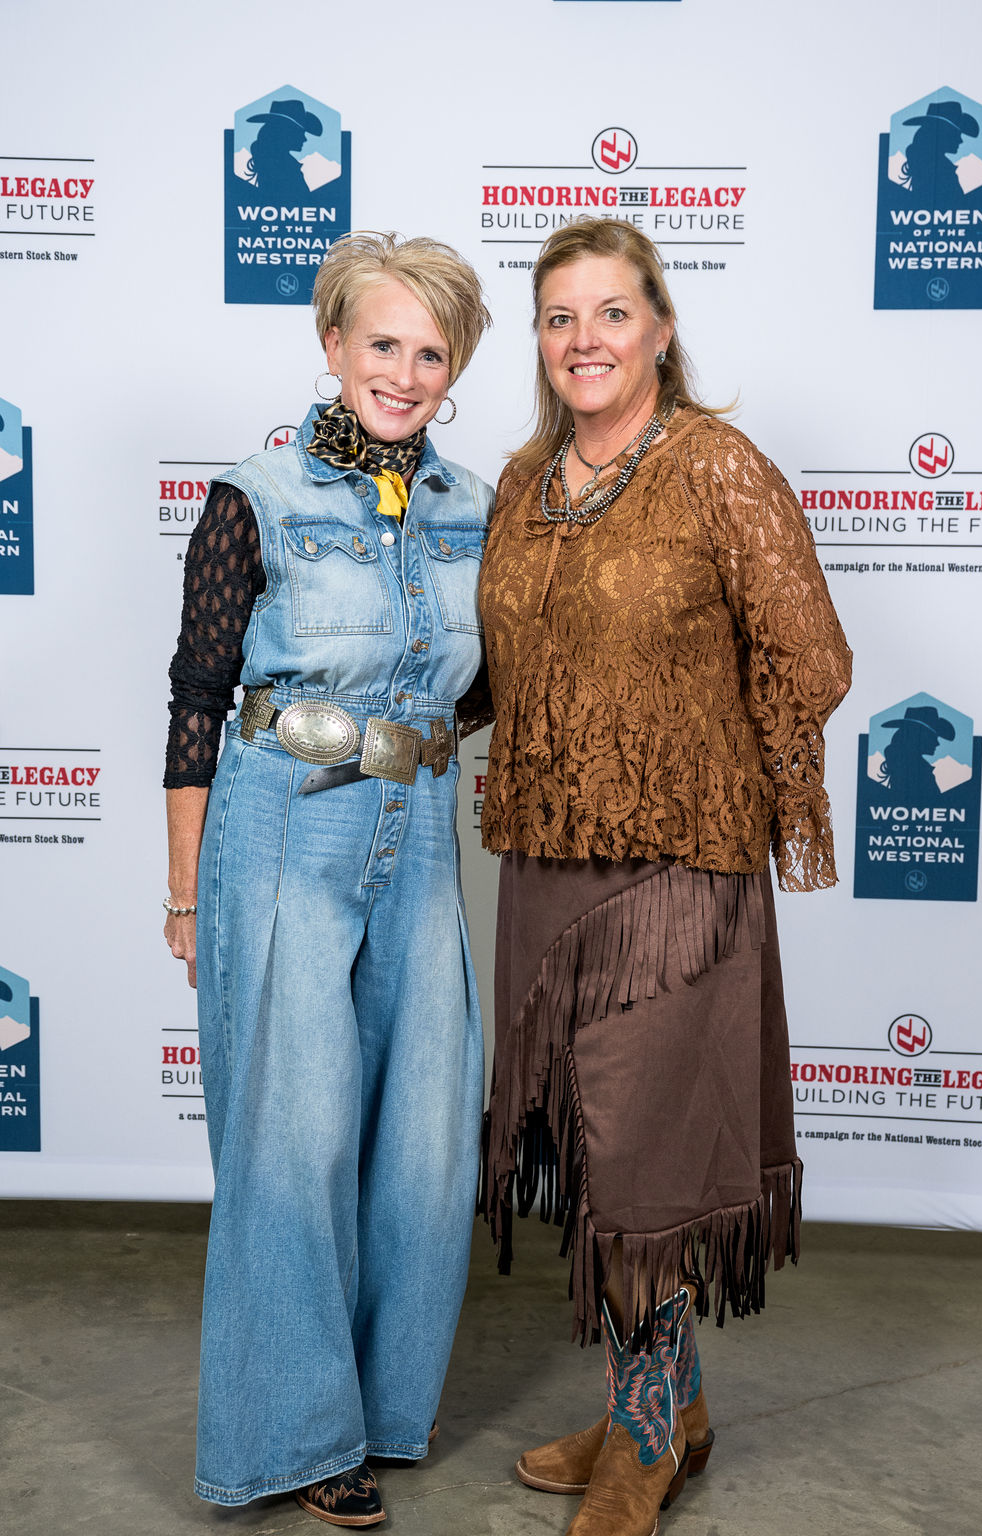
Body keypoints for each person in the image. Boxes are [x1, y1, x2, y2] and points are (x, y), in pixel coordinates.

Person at [477, 217, 852, 1536]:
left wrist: (691, 762)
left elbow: (812, 655)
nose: (584, 339)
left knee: (645, 1160)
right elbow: (505, 666)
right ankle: (665, 1403)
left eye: (612, 313)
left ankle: (647, 1442)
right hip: (547, 863)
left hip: (676, 876)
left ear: (661, 328)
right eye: (560, 317)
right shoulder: (524, 482)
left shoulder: (714, 467)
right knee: (592, 1150)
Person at [163, 231, 493, 1526]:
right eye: (382, 344)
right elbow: (197, 698)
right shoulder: (253, 497)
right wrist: (186, 892)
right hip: (281, 829)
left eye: (431, 352)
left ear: (455, 367)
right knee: (294, 1142)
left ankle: (384, 1408)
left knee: (424, 1139)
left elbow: (486, 688)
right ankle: (299, 1440)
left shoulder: (476, 509)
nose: (403, 374)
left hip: (419, 836)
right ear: (333, 344)